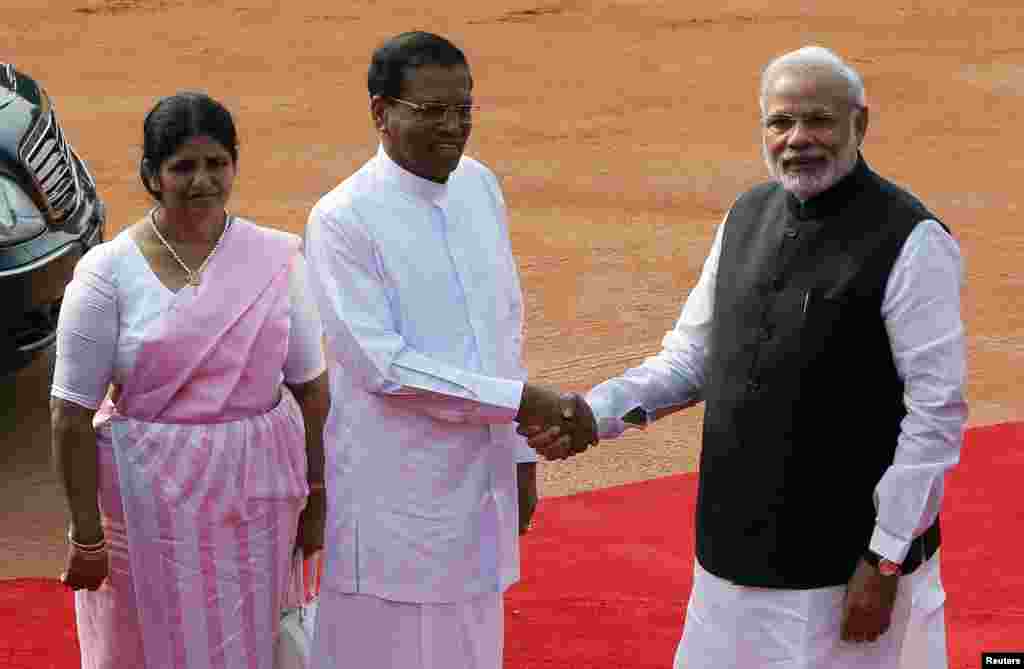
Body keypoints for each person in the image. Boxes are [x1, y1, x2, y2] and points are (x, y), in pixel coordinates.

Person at [526, 45, 966, 668]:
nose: (798, 140)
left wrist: (885, 557)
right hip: (729, 564)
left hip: (841, 577)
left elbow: (935, 418)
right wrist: (591, 414)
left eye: (819, 121)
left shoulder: (913, 241)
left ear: (859, 125)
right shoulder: (744, 216)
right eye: (780, 122)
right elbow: (691, 359)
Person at [303, 31, 596, 669]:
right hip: (392, 495)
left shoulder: (480, 188)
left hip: (481, 482)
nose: (453, 128)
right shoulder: (341, 219)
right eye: (431, 111)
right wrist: (521, 405)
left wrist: (522, 459)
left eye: (463, 110)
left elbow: (503, 330)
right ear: (382, 113)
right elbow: (385, 368)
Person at [50, 91, 330, 669]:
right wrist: (86, 534)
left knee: (251, 637)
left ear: (234, 165)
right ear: (152, 175)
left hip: (257, 496)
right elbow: (70, 412)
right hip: (145, 504)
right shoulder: (107, 273)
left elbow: (311, 388)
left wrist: (317, 495)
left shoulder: (276, 261)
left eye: (216, 164)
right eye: (183, 167)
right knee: (148, 641)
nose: (202, 181)